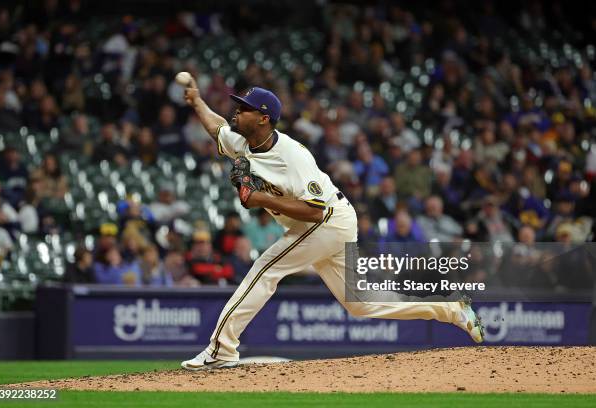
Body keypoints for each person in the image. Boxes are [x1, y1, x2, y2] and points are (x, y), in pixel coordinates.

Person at [179, 79, 483, 370]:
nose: (237, 111)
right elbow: (217, 128)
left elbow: (314, 211)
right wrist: (197, 102)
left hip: (327, 220)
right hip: (324, 223)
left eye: (244, 108)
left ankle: (222, 349)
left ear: (263, 118)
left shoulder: (292, 156)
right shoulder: (243, 144)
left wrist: (260, 199)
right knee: (361, 304)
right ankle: (449, 308)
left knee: (265, 270)